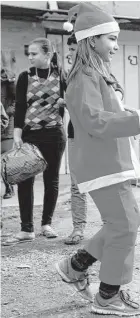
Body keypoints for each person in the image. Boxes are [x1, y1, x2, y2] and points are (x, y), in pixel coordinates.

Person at [54, 3, 140, 316]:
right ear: (91, 40)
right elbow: (95, 122)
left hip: (110, 161)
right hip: (102, 163)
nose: (115, 46)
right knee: (125, 225)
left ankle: (75, 266)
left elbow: (111, 115)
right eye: (111, 39)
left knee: (125, 223)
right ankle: (108, 296)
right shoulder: (84, 77)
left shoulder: (96, 75)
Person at [3, 38, 67, 246]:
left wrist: (64, 103)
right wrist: (18, 134)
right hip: (30, 135)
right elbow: (20, 106)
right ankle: (26, 229)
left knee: (51, 180)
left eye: (34, 53)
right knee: (24, 179)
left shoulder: (61, 75)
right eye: (28, 54)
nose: (30, 57)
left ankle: (46, 224)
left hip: (54, 134)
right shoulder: (25, 76)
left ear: (47, 55)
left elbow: (73, 99)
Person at [63, 33, 125, 245]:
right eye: (69, 49)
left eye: (73, 48)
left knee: (103, 182)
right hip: (76, 133)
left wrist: (115, 101)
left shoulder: (100, 69)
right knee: (77, 184)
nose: (71, 53)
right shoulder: (71, 74)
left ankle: (109, 226)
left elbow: (117, 88)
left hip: (98, 134)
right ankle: (78, 228)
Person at [1, 66, 16, 199]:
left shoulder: (7, 78)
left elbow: (18, 101)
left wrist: (7, 112)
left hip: (6, 126)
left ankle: (9, 187)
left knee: (4, 159)